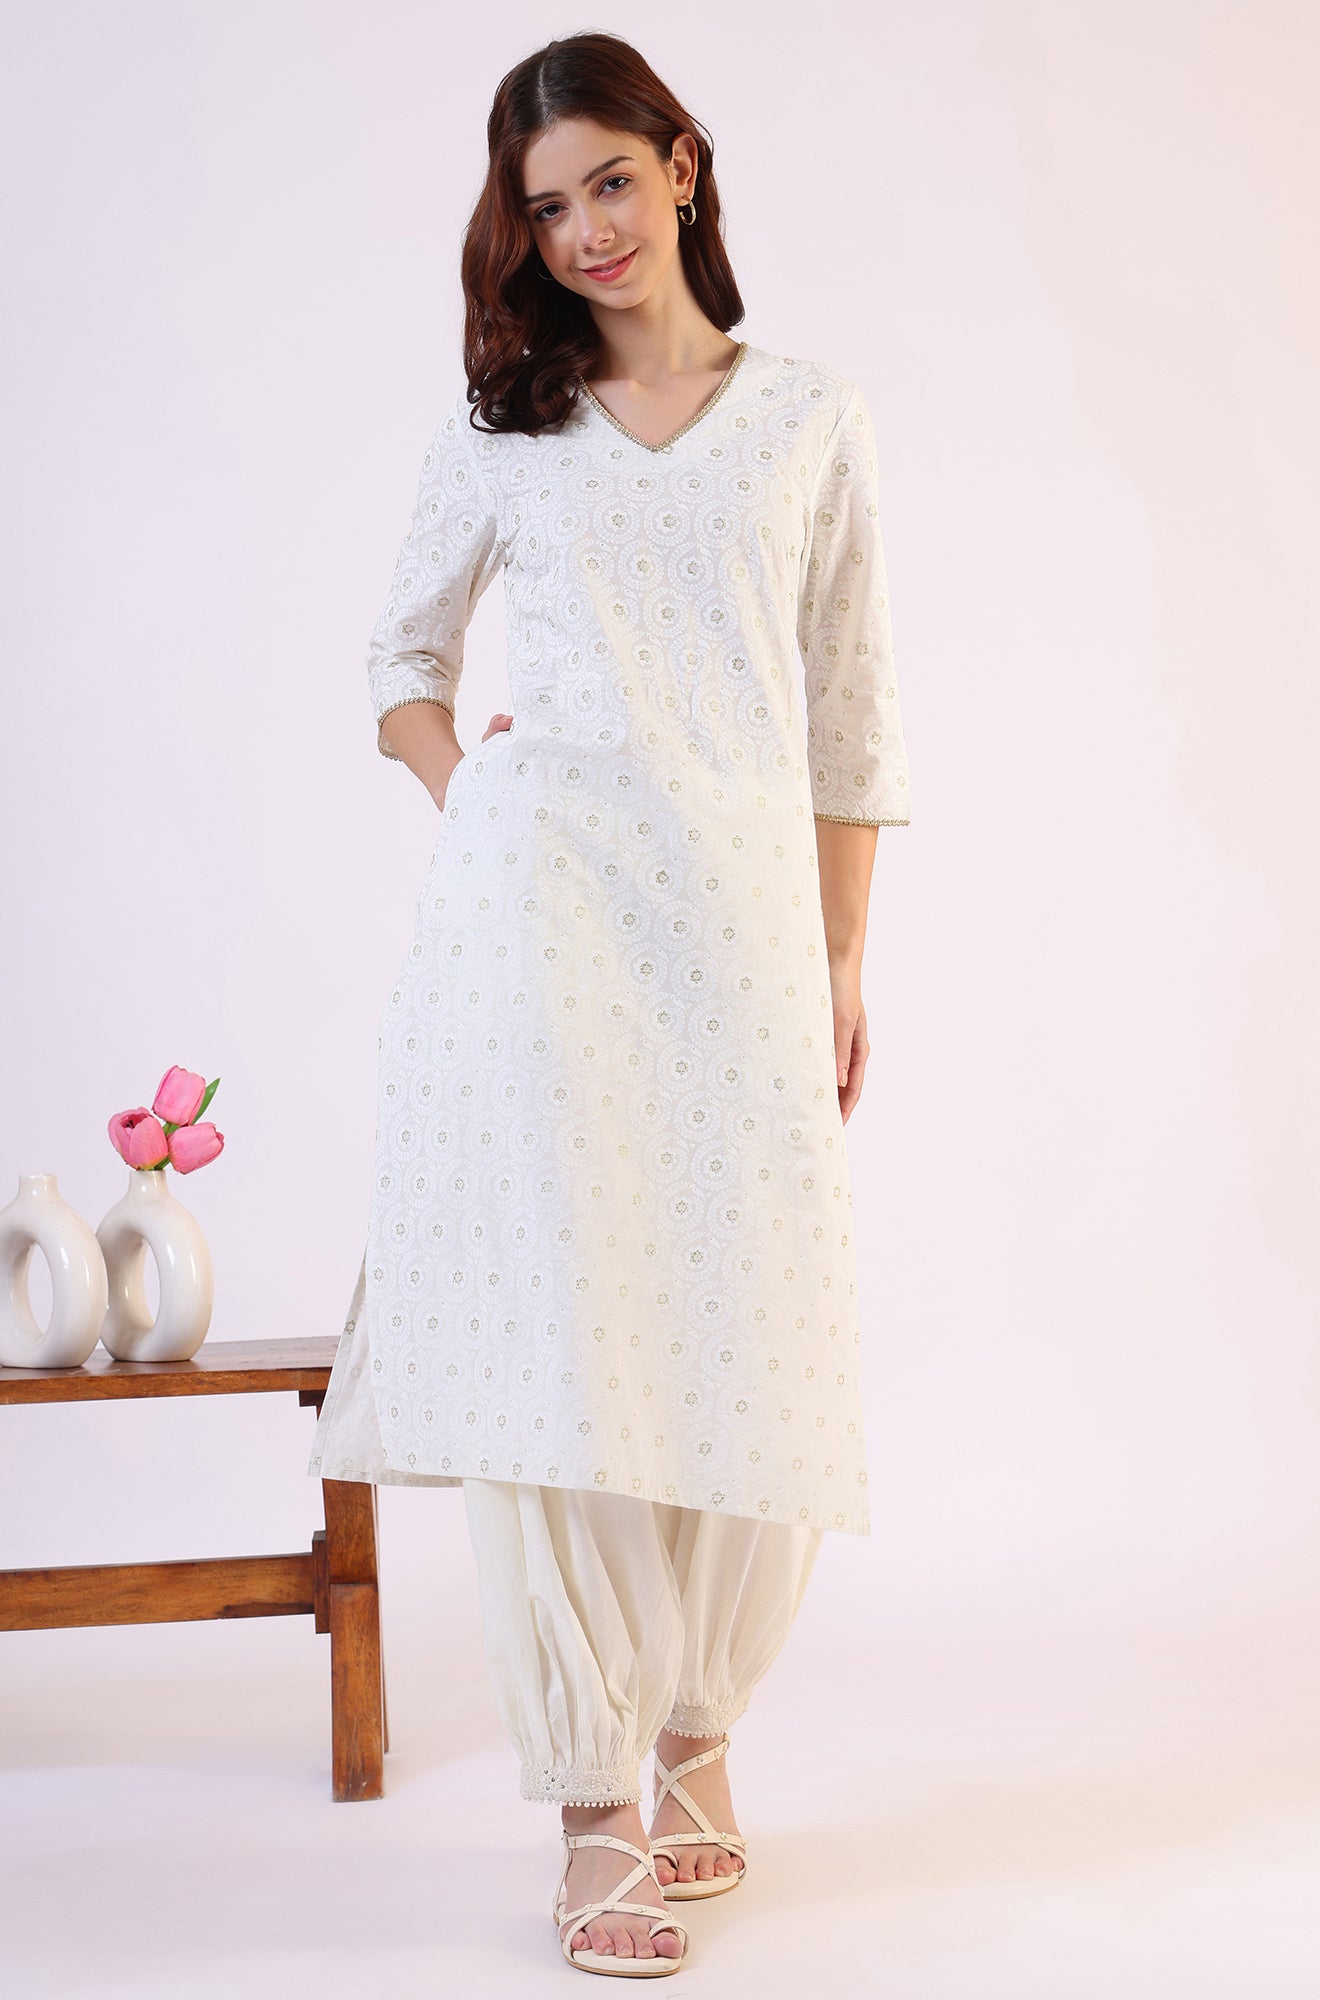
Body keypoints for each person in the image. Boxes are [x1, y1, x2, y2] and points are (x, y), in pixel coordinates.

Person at [307, 29, 912, 1979]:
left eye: (610, 183)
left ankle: (698, 1729)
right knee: (562, 1342)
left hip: (740, 929)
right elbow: (400, 660)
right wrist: (465, 787)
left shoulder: (809, 418)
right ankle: (592, 1798)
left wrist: (841, 954)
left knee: (747, 1315)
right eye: (545, 204)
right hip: (539, 924)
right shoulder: (506, 423)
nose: (583, 230)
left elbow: (851, 718)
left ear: (683, 166)